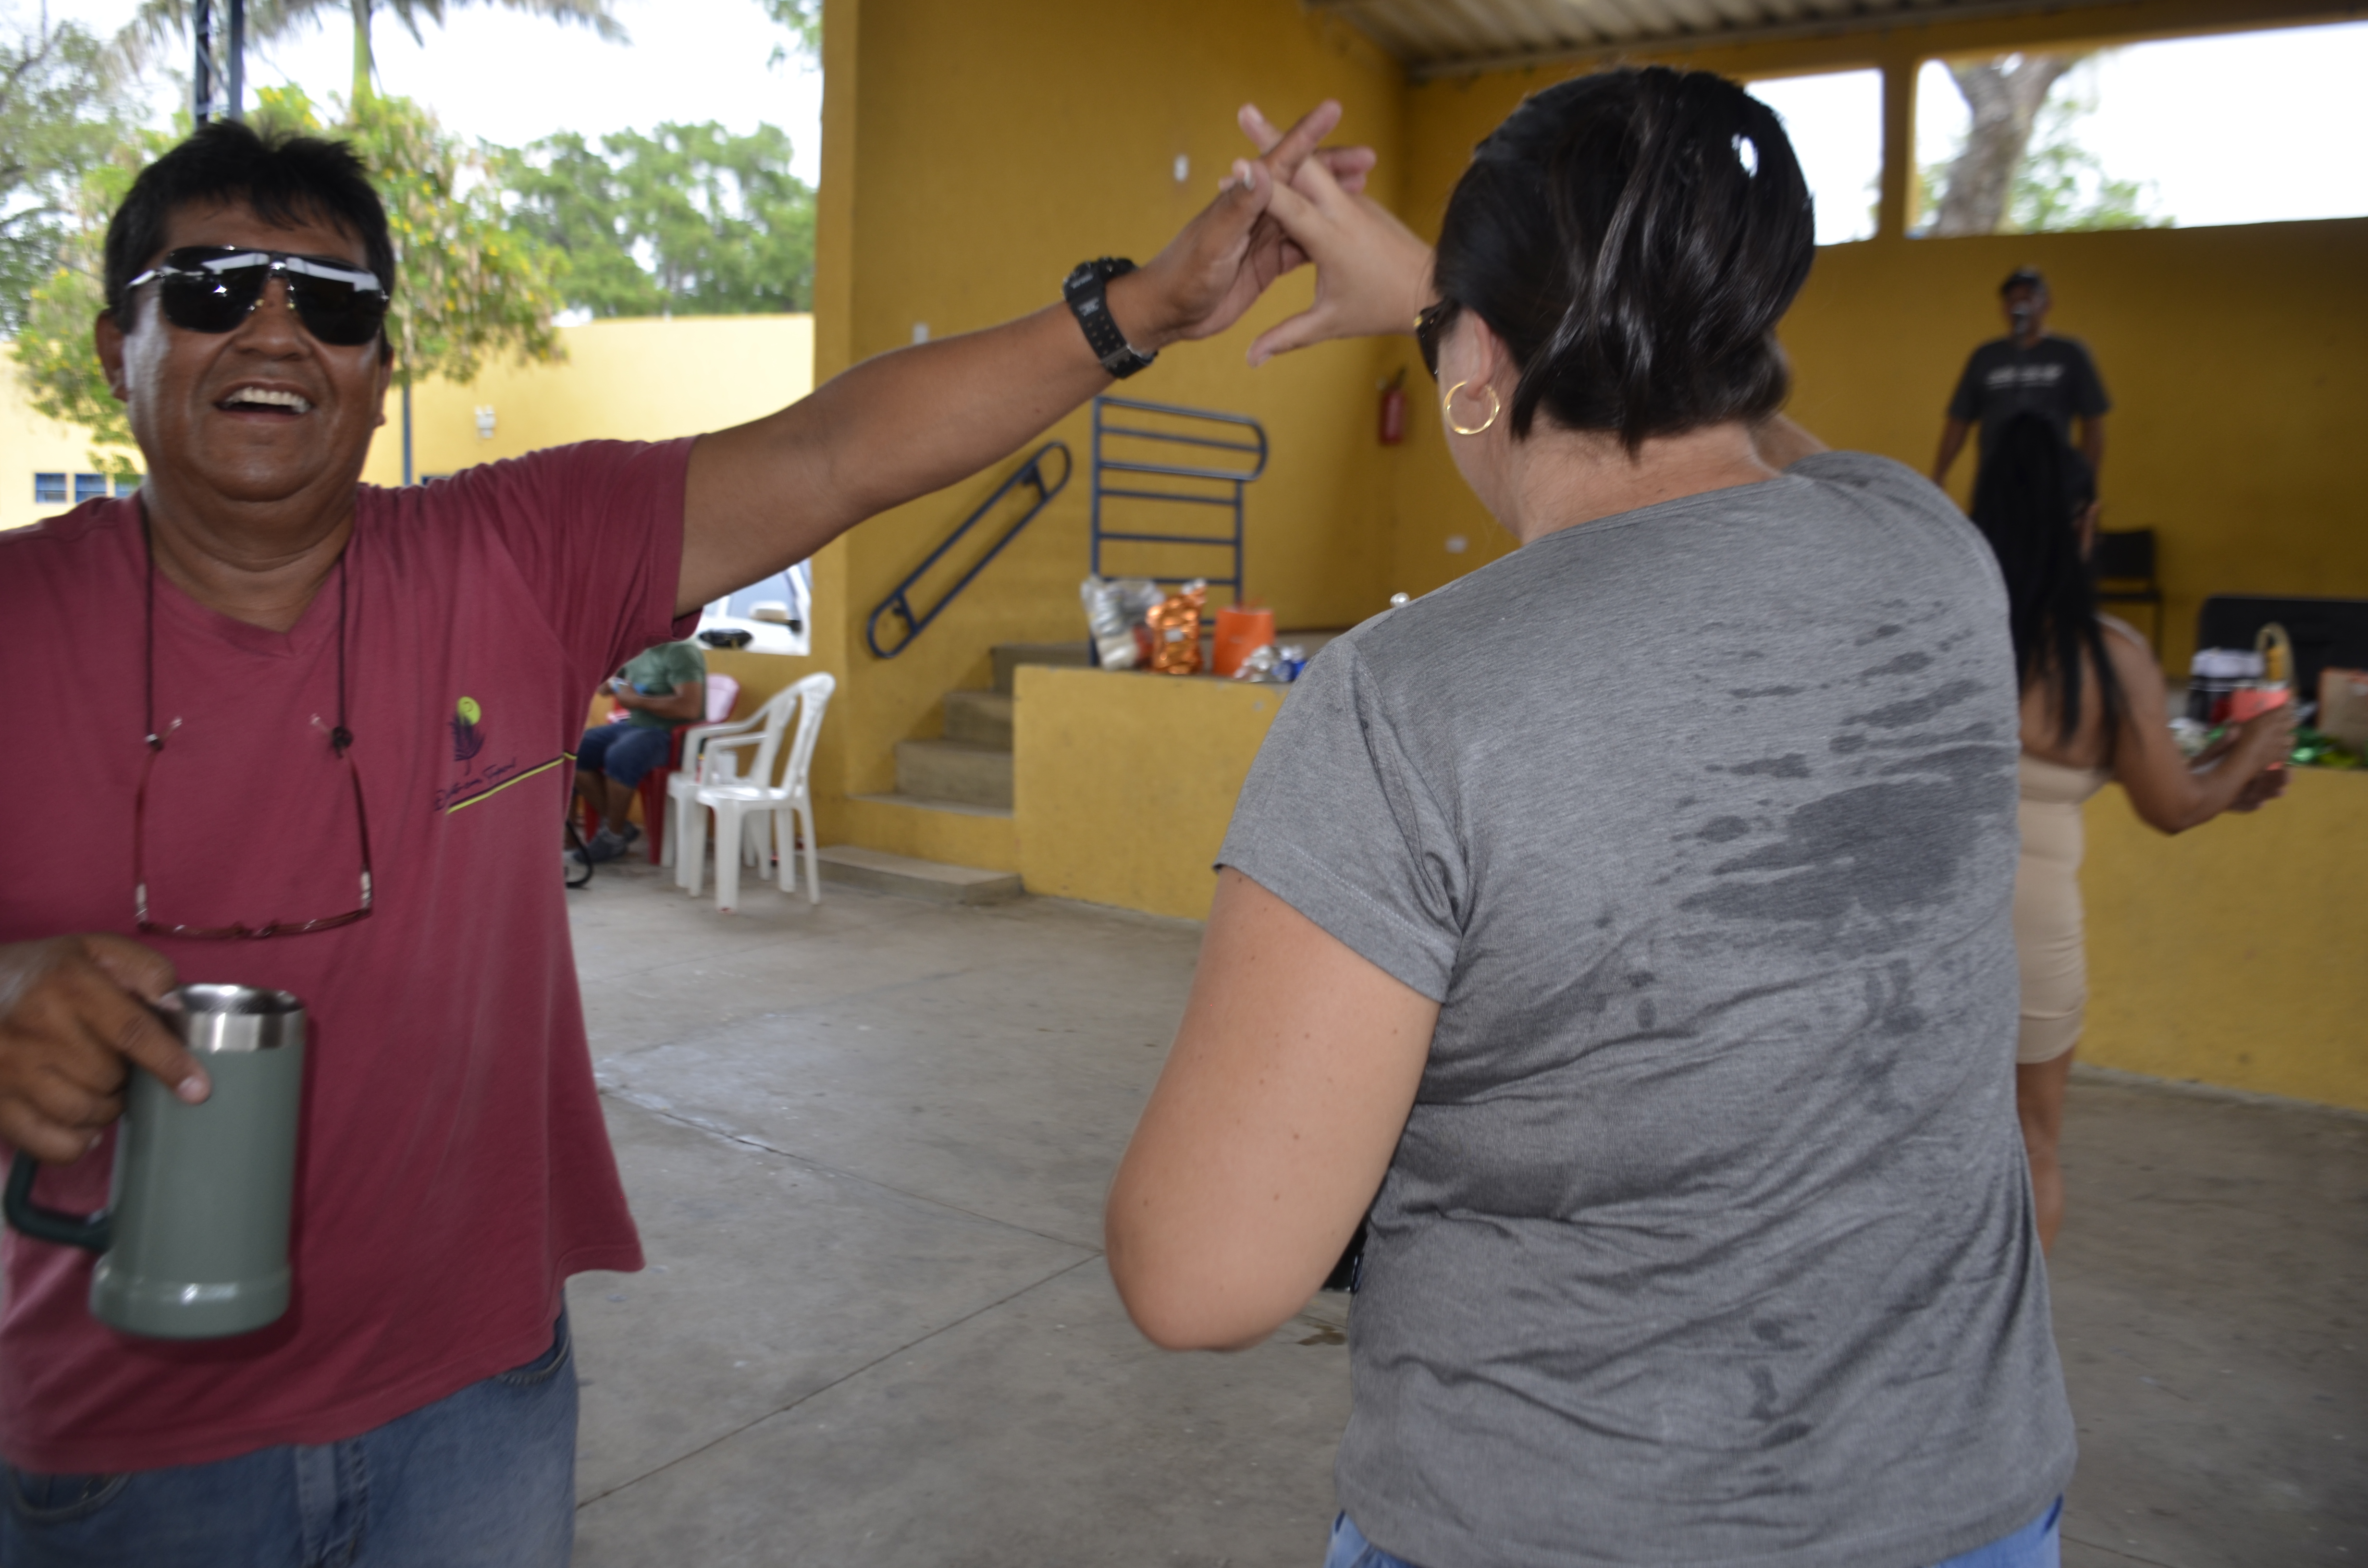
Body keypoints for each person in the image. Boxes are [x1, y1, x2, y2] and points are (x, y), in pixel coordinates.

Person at [0, 107, 1370, 1563]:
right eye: (211, 289)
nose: (274, 333)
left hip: (469, 1403)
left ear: (379, 367)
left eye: (331, 304)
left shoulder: (513, 556)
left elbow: (841, 451)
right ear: (114, 347)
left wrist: (1145, 307)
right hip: (123, 1439)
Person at [1108, 69, 2077, 1568]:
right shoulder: (1929, 556)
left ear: (1477, 362)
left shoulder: (1407, 698)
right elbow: (1765, 449)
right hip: (1964, 1503)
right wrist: (1472, 305)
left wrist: (1458, 313)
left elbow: (1198, 1275)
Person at [1966, 412, 2290, 1255]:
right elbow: (2173, 805)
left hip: (1933, 914)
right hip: (2031, 935)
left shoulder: (1941, 625)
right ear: (2084, 522)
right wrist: (2248, 748)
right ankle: (2007, 1349)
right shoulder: (2105, 656)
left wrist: (2220, 772)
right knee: (2031, 1139)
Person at [1932, 267, 2109, 490]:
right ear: (2003, 309)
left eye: (2027, 297)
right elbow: (1959, 420)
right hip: (1995, 484)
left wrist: (2087, 484)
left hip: (2053, 483)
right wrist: (1939, 474)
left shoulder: (2069, 354)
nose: (2019, 305)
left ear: (2046, 305)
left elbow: (2093, 424)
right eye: (2011, 299)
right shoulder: (1986, 356)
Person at [572, 637, 707, 862]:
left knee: (622, 754)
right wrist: (617, 683)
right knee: (575, 750)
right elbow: (605, 686)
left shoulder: (681, 652)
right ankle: (617, 828)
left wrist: (639, 701)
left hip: (673, 736)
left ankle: (613, 837)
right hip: (635, 726)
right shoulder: (635, 645)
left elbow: (690, 708)